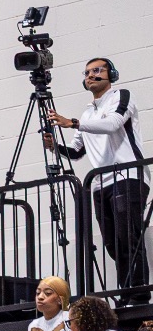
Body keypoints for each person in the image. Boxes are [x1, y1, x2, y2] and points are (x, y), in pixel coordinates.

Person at [48, 58, 148, 304]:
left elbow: (113, 123)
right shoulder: (87, 113)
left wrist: (72, 123)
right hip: (101, 183)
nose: (91, 75)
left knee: (128, 236)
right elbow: (77, 151)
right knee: (113, 243)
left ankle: (139, 292)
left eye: (97, 70)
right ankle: (128, 291)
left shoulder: (121, 96)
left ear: (111, 73)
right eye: (87, 72)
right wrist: (55, 148)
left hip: (128, 176)